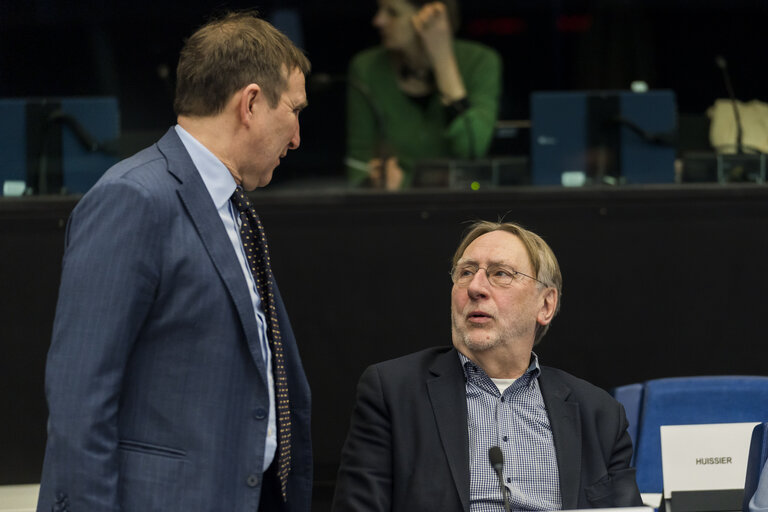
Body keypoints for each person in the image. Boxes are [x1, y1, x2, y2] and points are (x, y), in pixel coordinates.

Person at [36, 11, 312, 512]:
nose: (296, 138)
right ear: (250, 103)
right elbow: (81, 400)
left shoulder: (236, 210)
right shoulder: (134, 198)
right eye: (294, 110)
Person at [332, 220, 643, 511]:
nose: (475, 288)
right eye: (466, 272)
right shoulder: (394, 392)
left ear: (546, 305)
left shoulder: (599, 414)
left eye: (500, 274)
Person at [346, 0, 501, 189]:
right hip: (394, 207)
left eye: (392, 13)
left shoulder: (480, 61)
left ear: (430, 17)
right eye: (379, 10)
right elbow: (358, 166)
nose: (378, 21)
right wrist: (374, 182)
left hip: (464, 206)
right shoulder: (367, 67)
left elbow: (472, 148)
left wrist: (442, 58)